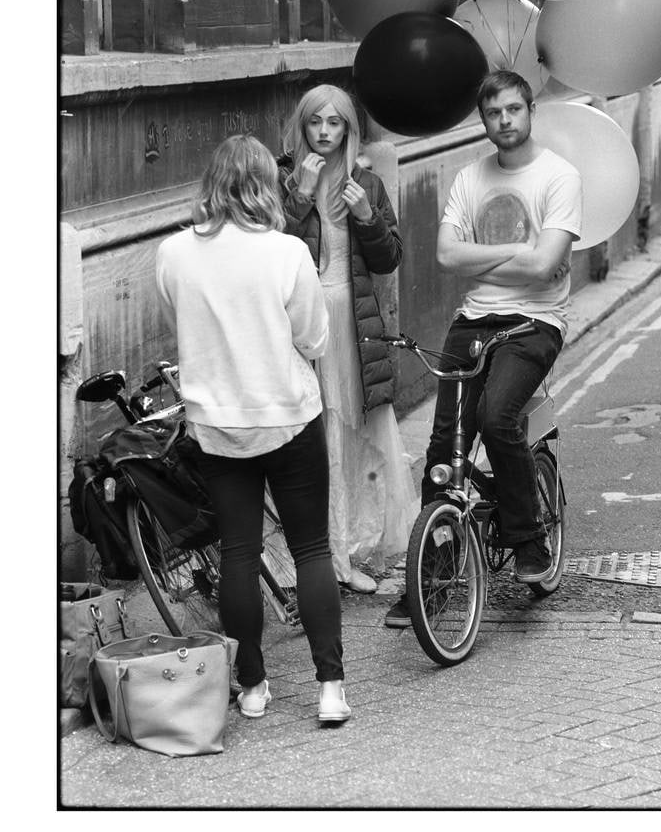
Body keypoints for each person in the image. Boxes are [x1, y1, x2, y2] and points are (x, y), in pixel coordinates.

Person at [155, 134, 350, 723]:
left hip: (216, 424)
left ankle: (254, 687)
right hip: (288, 415)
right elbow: (314, 339)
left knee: (237, 554)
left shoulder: (172, 253)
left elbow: (180, 328)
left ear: (211, 183)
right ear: (266, 184)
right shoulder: (286, 252)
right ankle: (331, 689)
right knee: (311, 548)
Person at [385, 70, 583, 628]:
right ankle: (428, 579)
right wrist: (523, 247)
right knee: (444, 450)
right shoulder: (469, 177)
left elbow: (547, 270)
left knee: (497, 417)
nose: (506, 122)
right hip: (473, 319)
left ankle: (529, 543)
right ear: (484, 119)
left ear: (531, 111)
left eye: (515, 110)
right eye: (495, 113)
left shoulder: (559, 177)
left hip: (535, 322)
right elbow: (446, 256)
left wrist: (488, 252)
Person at [279, 84, 418, 593]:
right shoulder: (282, 178)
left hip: (352, 325)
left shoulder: (367, 184)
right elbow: (270, 254)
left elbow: (389, 260)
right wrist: (297, 198)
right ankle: (324, 556)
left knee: (352, 440)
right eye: (315, 122)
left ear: (349, 130)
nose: (324, 133)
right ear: (302, 125)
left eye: (334, 124)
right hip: (301, 325)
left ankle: (351, 548)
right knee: (315, 443)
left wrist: (367, 216)